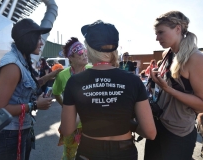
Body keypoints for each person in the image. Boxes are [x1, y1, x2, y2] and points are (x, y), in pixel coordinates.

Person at [61, 20, 156, 160]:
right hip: (124, 151)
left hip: (89, 151)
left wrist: (86, 109)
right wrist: (131, 125)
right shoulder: (133, 81)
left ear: (88, 48)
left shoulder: (75, 81)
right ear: (115, 49)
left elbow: (67, 129)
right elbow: (150, 132)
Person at [0, 18, 62, 160]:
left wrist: (48, 77)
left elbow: (23, 88)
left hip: (18, 130)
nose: (41, 43)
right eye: (38, 38)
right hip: (8, 135)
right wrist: (34, 105)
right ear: (27, 39)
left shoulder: (21, 60)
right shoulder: (12, 65)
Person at [144, 11, 203, 160]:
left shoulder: (195, 58)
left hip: (178, 132)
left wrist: (167, 88)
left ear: (177, 29)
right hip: (157, 125)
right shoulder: (167, 55)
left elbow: (201, 105)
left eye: (161, 32)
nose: (157, 38)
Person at [52, 37, 90, 159]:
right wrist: (65, 106)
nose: (84, 54)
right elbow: (56, 92)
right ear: (70, 57)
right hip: (71, 124)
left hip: (90, 124)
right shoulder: (62, 75)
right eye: (79, 52)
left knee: (89, 155)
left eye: (85, 51)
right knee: (68, 156)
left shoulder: (92, 71)